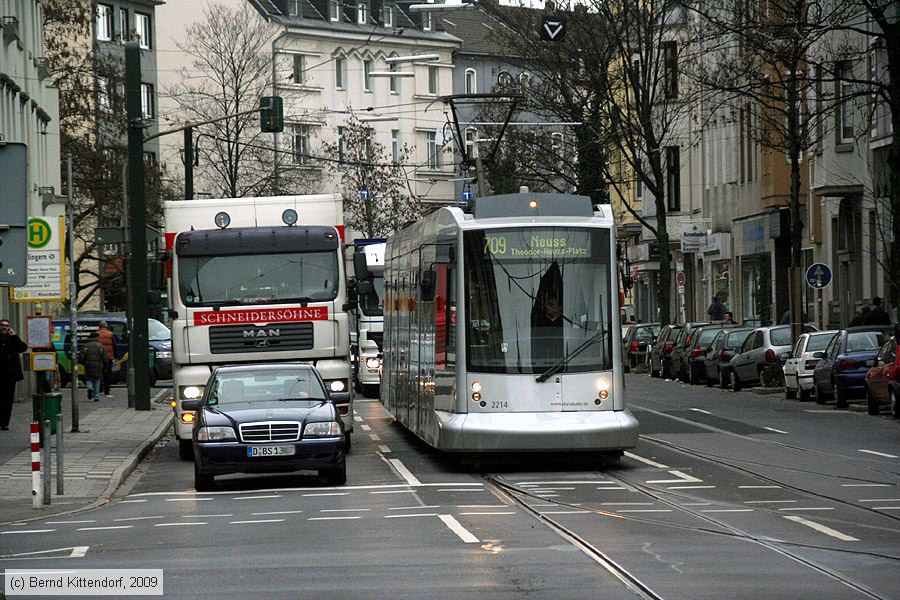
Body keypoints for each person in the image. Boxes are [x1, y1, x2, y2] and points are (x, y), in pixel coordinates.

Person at [0, 319, 28, 431]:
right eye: (2, 325)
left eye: (6, 326)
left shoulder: (12, 339)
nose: (4, 327)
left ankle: (4, 423)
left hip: (10, 376)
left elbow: (23, 348)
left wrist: (14, 336)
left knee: (8, 400)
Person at [79, 331, 108, 402]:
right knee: (97, 380)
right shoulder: (100, 346)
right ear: (97, 337)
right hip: (98, 365)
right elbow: (104, 358)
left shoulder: (85, 346)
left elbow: (81, 357)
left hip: (88, 365)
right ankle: (96, 396)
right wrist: (105, 366)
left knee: (89, 379)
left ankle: (89, 388)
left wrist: (84, 363)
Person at [96, 321, 117, 397]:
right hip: (108, 357)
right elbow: (114, 346)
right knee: (107, 375)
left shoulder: (96, 334)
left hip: (98, 357)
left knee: (99, 373)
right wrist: (115, 356)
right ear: (106, 326)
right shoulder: (110, 334)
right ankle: (107, 390)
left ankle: (99, 389)